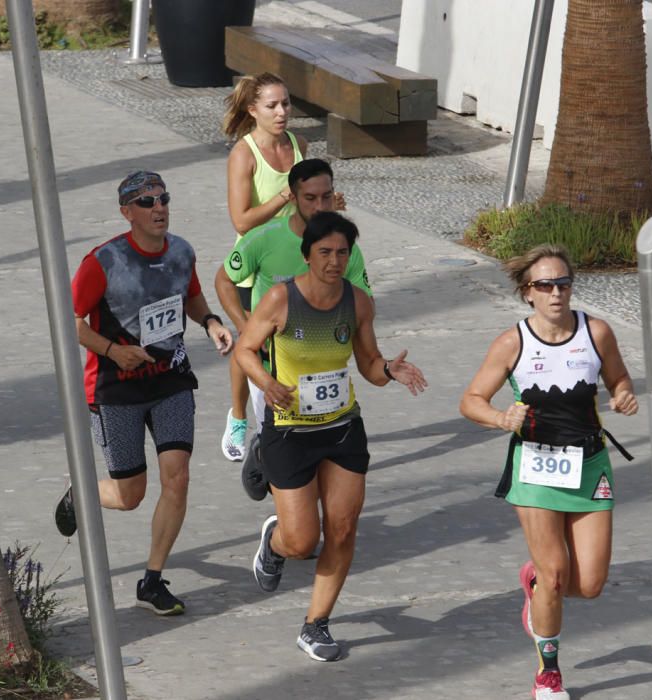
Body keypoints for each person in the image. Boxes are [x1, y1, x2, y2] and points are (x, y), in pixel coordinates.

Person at [235, 211, 427, 661]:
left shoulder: (358, 302)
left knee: (341, 529)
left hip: (341, 429)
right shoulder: (281, 299)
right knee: (302, 542)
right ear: (308, 255)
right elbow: (245, 350)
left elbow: (368, 364)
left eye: (343, 252)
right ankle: (274, 541)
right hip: (289, 430)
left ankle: (315, 624)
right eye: (325, 252)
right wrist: (266, 384)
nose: (334, 261)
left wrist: (389, 371)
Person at [459, 244, 638, 699]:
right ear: (528, 293)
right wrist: (501, 419)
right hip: (536, 466)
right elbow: (470, 400)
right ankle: (548, 674)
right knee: (557, 573)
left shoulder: (596, 332)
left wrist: (622, 395)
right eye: (545, 285)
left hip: (590, 463)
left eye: (564, 283)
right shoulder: (512, 342)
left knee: (590, 585)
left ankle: (534, 583)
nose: (557, 293)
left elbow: (618, 378)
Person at [55, 171, 234, 616]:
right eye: (146, 201)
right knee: (130, 494)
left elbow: (190, 297)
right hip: (116, 389)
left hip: (171, 380)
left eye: (163, 198)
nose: (159, 208)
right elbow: (70, 322)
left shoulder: (181, 251)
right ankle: (82, 490)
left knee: (178, 476)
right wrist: (114, 351)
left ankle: (152, 580)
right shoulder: (103, 262)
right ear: (126, 213)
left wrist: (210, 322)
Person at [215, 158, 371, 500]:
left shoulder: (344, 248)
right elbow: (224, 279)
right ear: (293, 198)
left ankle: (267, 464)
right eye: (310, 198)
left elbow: (361, 305)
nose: (319, 206)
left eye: (326, 197)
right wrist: (247, 329)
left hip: (324, 369)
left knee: (312, 463)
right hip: (272, 368)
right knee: (286, 453)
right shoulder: (264, 238)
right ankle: (270, 474)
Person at [220, 71, 307, 463]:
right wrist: (283, 197)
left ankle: (298, 418)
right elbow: (240, 220)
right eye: (272, 105)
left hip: (297, 261)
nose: (281, 112)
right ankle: (239, 417)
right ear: (253, 110)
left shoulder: (300, 144)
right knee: (249, 344)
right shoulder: (244, 153)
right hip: (254, 266)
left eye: (286, 103)